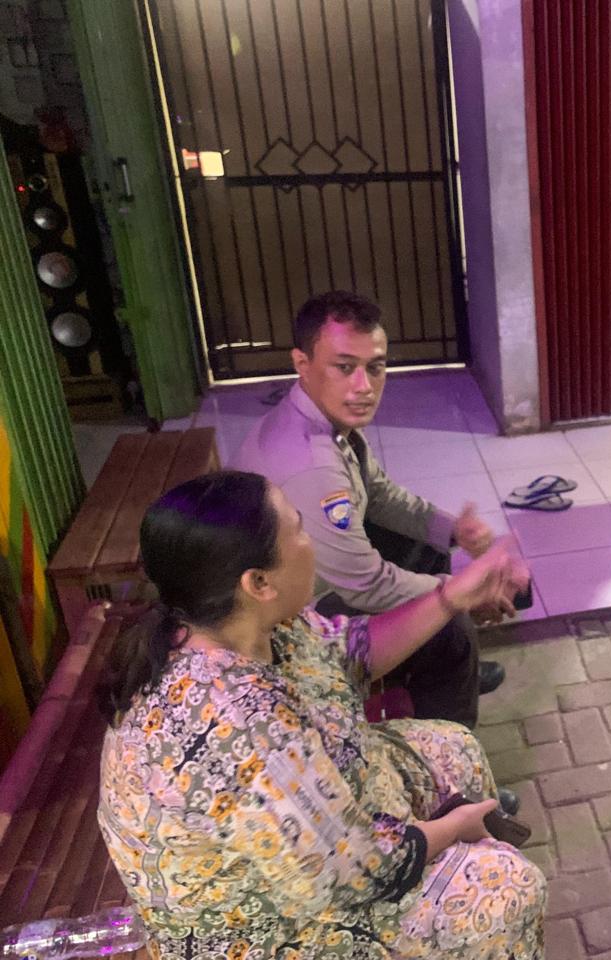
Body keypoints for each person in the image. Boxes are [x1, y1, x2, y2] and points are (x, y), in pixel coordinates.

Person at [97, 471, 546, 960]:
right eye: (298, 529)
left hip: (318, 840)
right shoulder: (235, 723)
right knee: (508, 888)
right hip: (266, 929)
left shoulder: (249, 624)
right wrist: (454, 828)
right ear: (258, 582)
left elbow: (347, 652)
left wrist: (452, 596)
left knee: (452, 745)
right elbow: (355, 873)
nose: (310, 540)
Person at [233, 291, 504, 731]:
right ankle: (449, 760)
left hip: (314, 573)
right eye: (344, 367)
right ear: (302, 364)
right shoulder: (312, 464)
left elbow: (378, 494)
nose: (363, 386)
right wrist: (460, 594)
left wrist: (454, 529)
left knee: (425, 548)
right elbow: (367, 586)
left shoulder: (323, 418)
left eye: (375, 367)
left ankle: (448, 672)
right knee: (448, 625)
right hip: (291, 618)